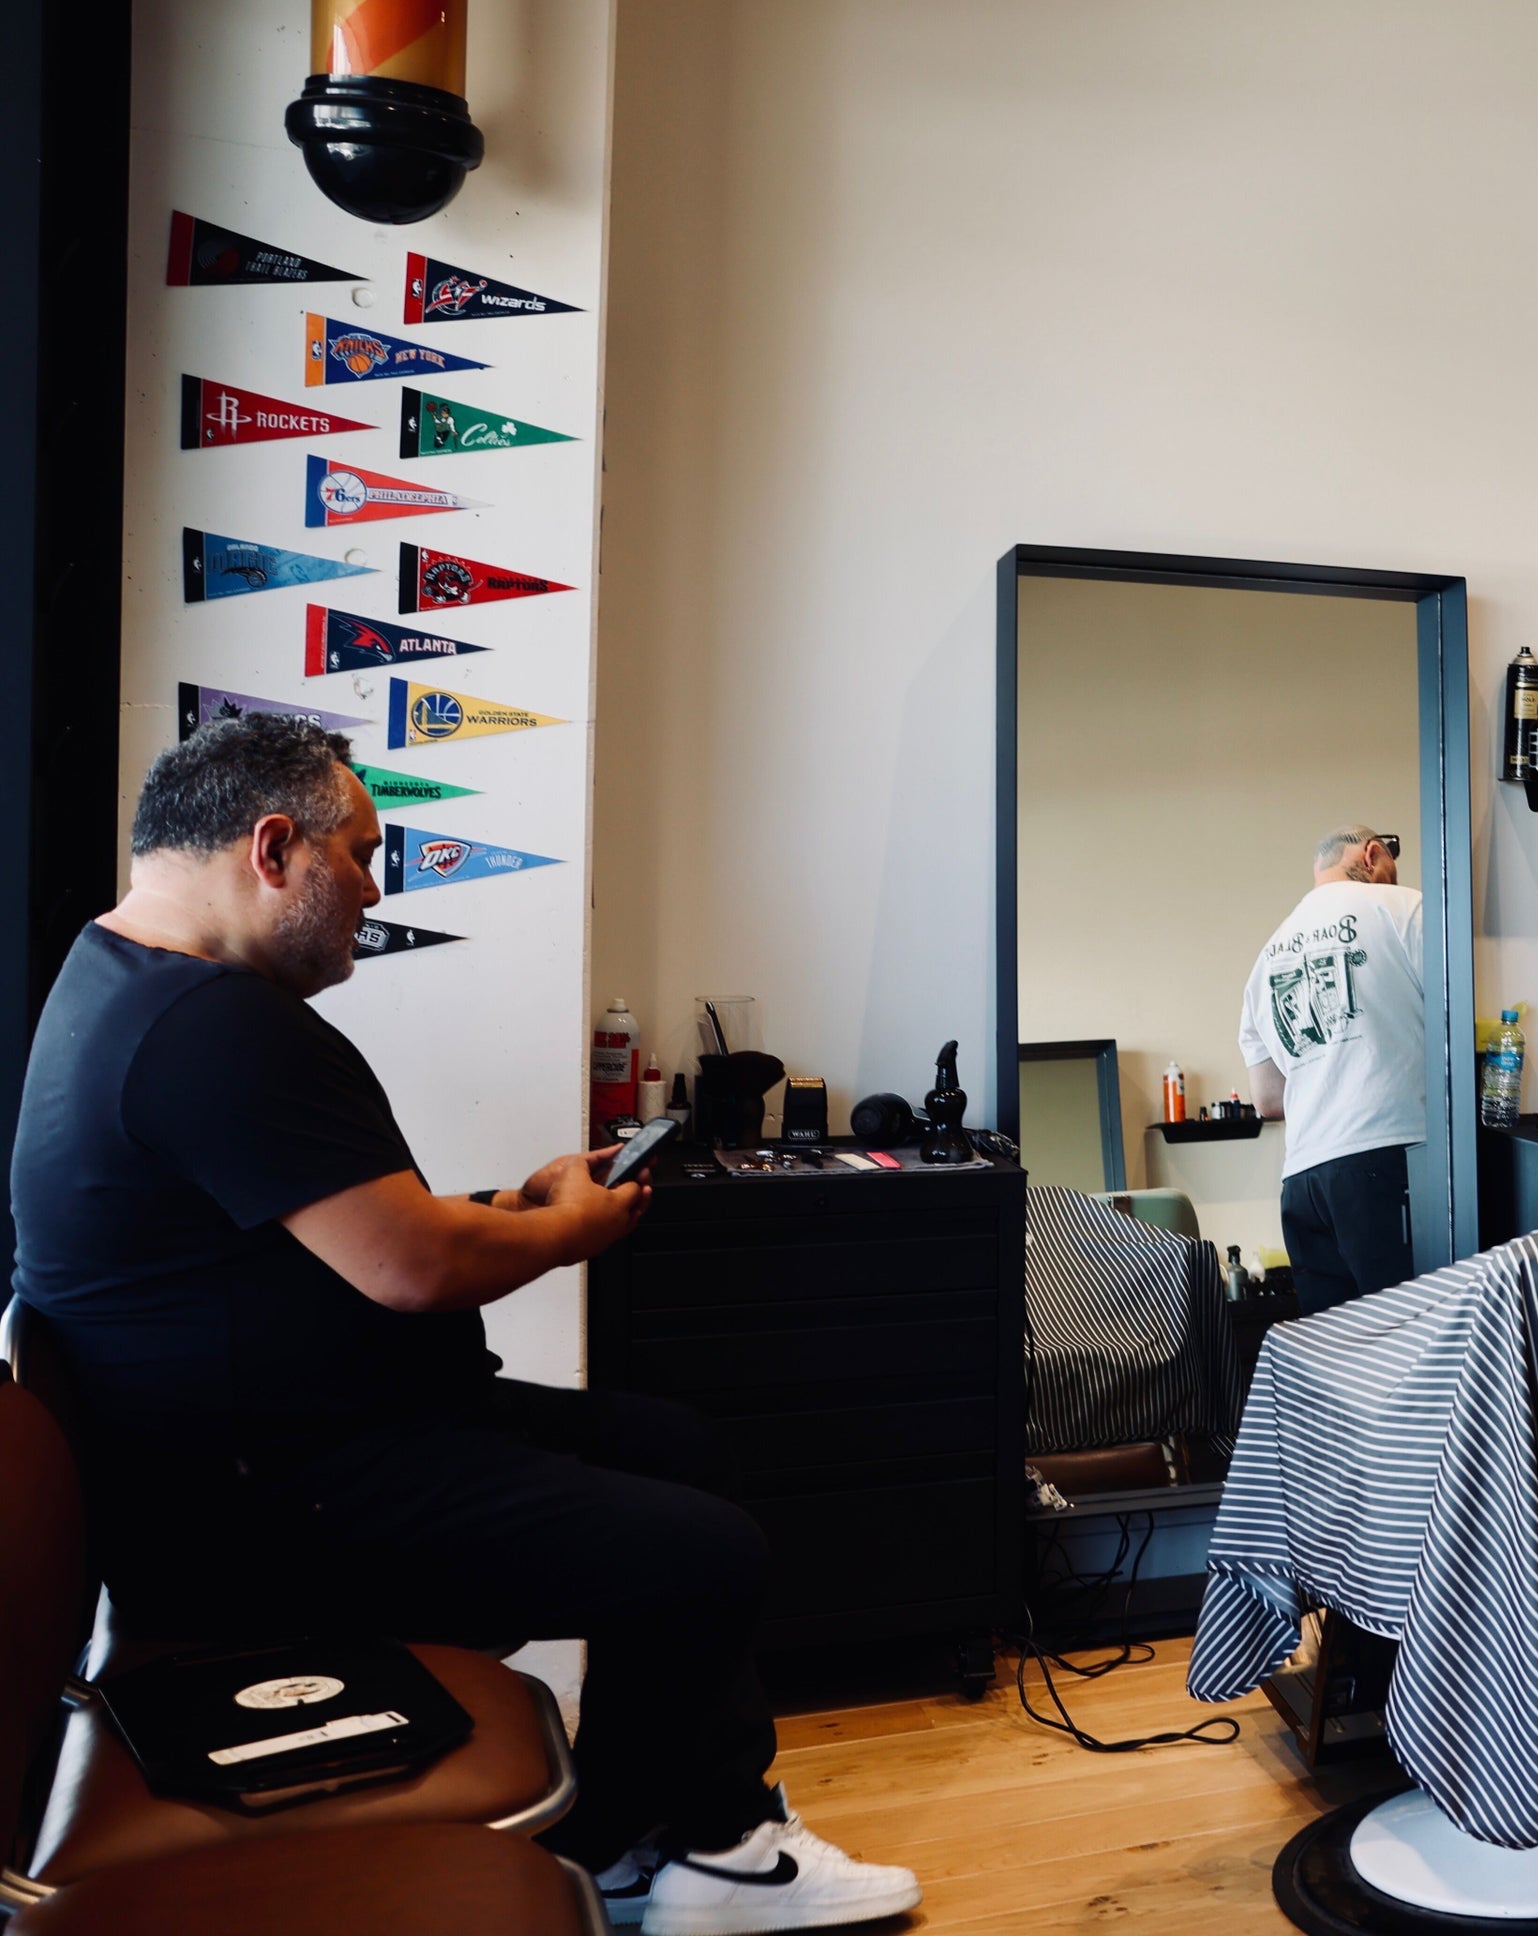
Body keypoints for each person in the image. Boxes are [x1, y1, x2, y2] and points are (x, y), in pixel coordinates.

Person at [4, 715, 918, 1934]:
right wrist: (571, 1232)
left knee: (683, 1449)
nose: (374, 891)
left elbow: (337, 1228)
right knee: (708, 1554)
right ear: (274, 849)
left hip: (249, 1461)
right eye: (361, 854)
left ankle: (668, 1835)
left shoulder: (112, 983)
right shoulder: (212, 1027)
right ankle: (685, 1855)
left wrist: (517, 1206)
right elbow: (412, 1268)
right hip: (265, 1515)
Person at [1238, 825, 1428, 1314]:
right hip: (1385, 1156)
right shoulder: (1405, 908)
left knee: (1338, 1346)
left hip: (1303, 1181)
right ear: (1371, 854)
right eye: (1390, 861)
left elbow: (1268, 1100)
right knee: (1410, 1334)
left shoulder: (1267, 956)